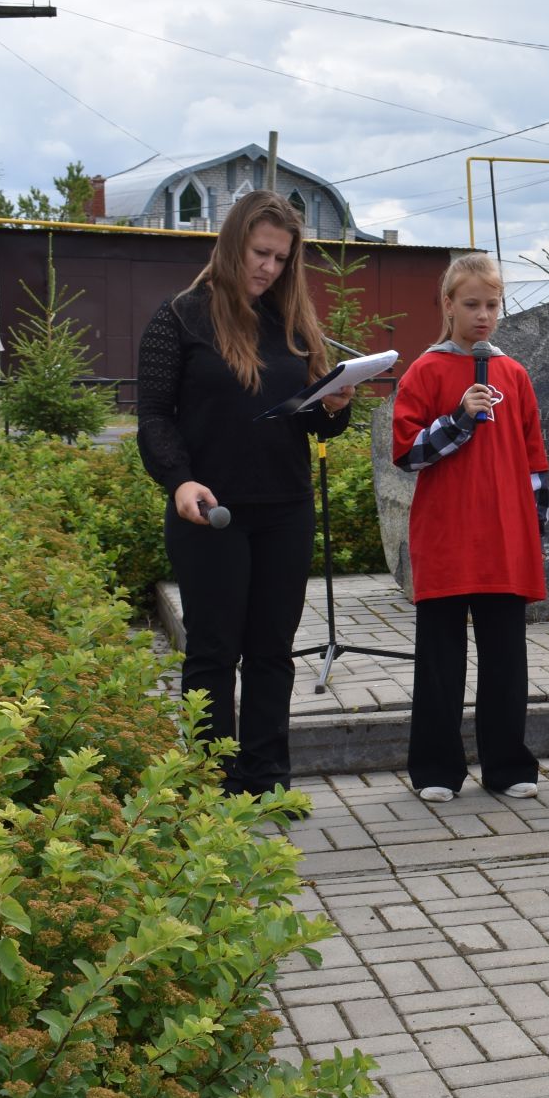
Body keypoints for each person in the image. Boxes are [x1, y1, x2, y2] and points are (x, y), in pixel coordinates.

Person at [135, 190, 355, 796]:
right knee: (213, 652)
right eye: (261, 253)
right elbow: (153, 416)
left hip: (285, 507)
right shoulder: (179, 316)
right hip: (210, 512)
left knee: (271, 653)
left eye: (282, 259)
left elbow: (308, 420)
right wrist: (178, 479)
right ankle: (212, 787)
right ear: (233, 244)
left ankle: (267, 782)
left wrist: (335, 406)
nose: (269, 268)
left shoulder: (291, 322)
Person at [391, 253, 549, 803]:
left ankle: (507, 764)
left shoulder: (513, 373)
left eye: (492, 305)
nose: (483, 316)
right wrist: (457, 418)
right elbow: (408, 454)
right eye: (471, 304)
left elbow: (534, 456)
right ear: (448, 305)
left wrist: (537, 516)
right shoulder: (425, 371)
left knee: (505, 660)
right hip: (446, 538)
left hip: (504, 540)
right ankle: (436, 768)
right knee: (441, 662)